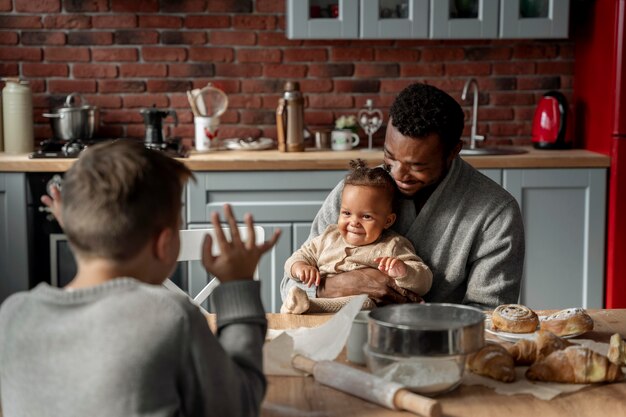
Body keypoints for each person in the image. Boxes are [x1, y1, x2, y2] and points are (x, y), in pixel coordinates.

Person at [0, 140, 280, 417]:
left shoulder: (12, 316)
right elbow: (239, 406)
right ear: (165, 243)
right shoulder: (170, 317)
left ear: (74, 229)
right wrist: (237, 287)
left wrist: (80, 231)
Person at [280, 82, 525, 309]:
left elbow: (490, 316)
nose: (397, 174)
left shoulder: (496, 213)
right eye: (390, 157)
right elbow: (290, 287)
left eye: (417, 166)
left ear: (453, 152)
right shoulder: (356, 191)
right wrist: (341, 286)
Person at [281, 159, 432, 314]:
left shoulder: (392, 245)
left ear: (388, 221)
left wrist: (404, 271)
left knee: (364, 301)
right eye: (346, 213)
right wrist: (300, 267)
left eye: (366, 217)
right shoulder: (329, 237)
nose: (354, 222)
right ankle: (304, 305)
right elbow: (296, 258)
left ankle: (308, 305)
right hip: (319, 321)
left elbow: (424, 280)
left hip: (362, 318)